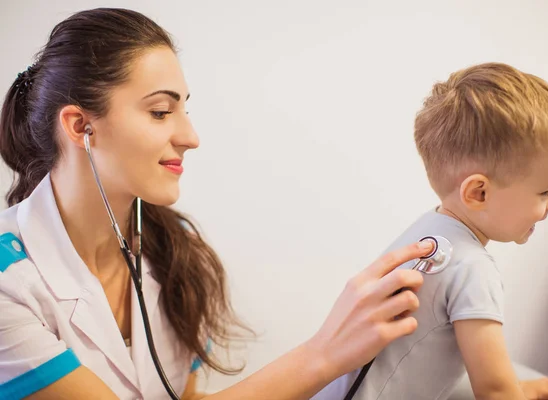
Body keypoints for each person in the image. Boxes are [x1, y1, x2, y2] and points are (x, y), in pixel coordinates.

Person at [0, 7, 432, 400]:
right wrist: (323, 355)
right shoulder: (7, 282)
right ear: (80, 126)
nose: (190, 137)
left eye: (184, 109)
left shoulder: (174, 246)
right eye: (160, 112)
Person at [312, 63, 548, 400]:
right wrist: (516, 391)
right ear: (478, 193)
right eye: (545, 191)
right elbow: (495, 392)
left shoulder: (429, 230)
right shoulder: (473, 268)